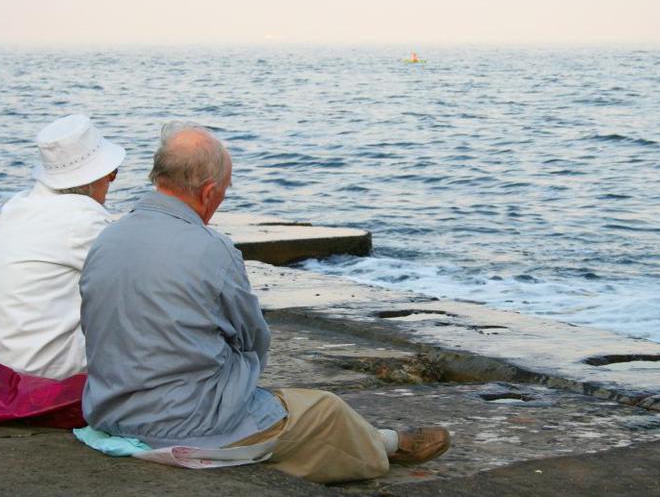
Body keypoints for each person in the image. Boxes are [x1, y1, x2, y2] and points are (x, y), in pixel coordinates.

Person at [79, 122, 450, 484]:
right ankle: (384, 445)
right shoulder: (213, 250)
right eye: (224, 190)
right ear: (208, 192)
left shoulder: (107, 239)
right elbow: (253, 339)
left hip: (110, 411)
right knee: (324, 412)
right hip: (182, 422)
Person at [0, 114, 125, 380]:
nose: (110, 183)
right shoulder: (83, 217)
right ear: (92, 178)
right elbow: (132, 282)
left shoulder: (17, 206)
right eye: (111, 174)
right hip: (40, 372)